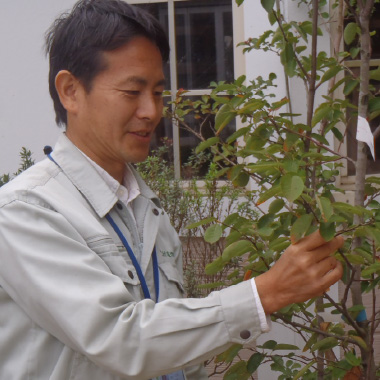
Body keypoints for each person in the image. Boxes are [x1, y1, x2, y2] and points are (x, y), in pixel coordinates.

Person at [0, 1, 343, 379]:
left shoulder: (147, 208)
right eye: (132, 92)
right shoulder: (26, 211)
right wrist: (266, 293)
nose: (151, 111)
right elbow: (121, 339)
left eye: (159, 92)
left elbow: (172, 350)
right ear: (70, 91)